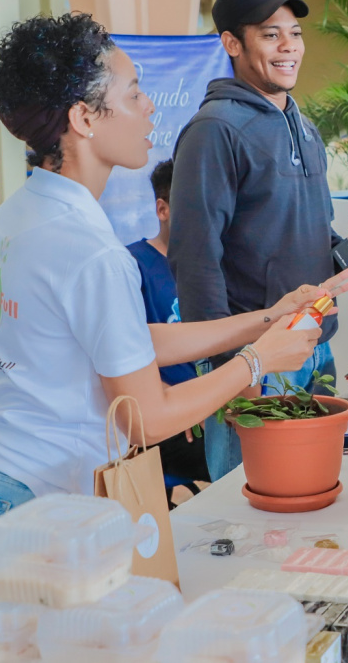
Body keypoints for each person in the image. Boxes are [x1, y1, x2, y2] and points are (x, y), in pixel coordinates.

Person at [0, 13, 348, 583]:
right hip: (20, 510)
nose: (149, 106)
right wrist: (260, 360)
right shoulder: (91, 251)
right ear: (83, 118)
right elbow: (147, 417)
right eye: (133, 92)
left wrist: (266, 319)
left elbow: (122, 342)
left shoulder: (20, 213)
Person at [169, 0, 348, 483]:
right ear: (232, 44)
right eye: (271, 34)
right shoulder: (215, 130)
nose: (289, 46)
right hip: (256, 355)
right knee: (250, 503)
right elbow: (194, 259)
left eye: (293, 33)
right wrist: (236, 370)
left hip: (314, 343)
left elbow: (309, 236)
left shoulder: (300, 120)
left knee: (313, 491)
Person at [125, 159, 209, 482]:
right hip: (171, 418)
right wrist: (172, 403)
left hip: (211, 406)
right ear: (163, 209)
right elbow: (122, 360)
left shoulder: (212, 264)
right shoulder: (133, 265)